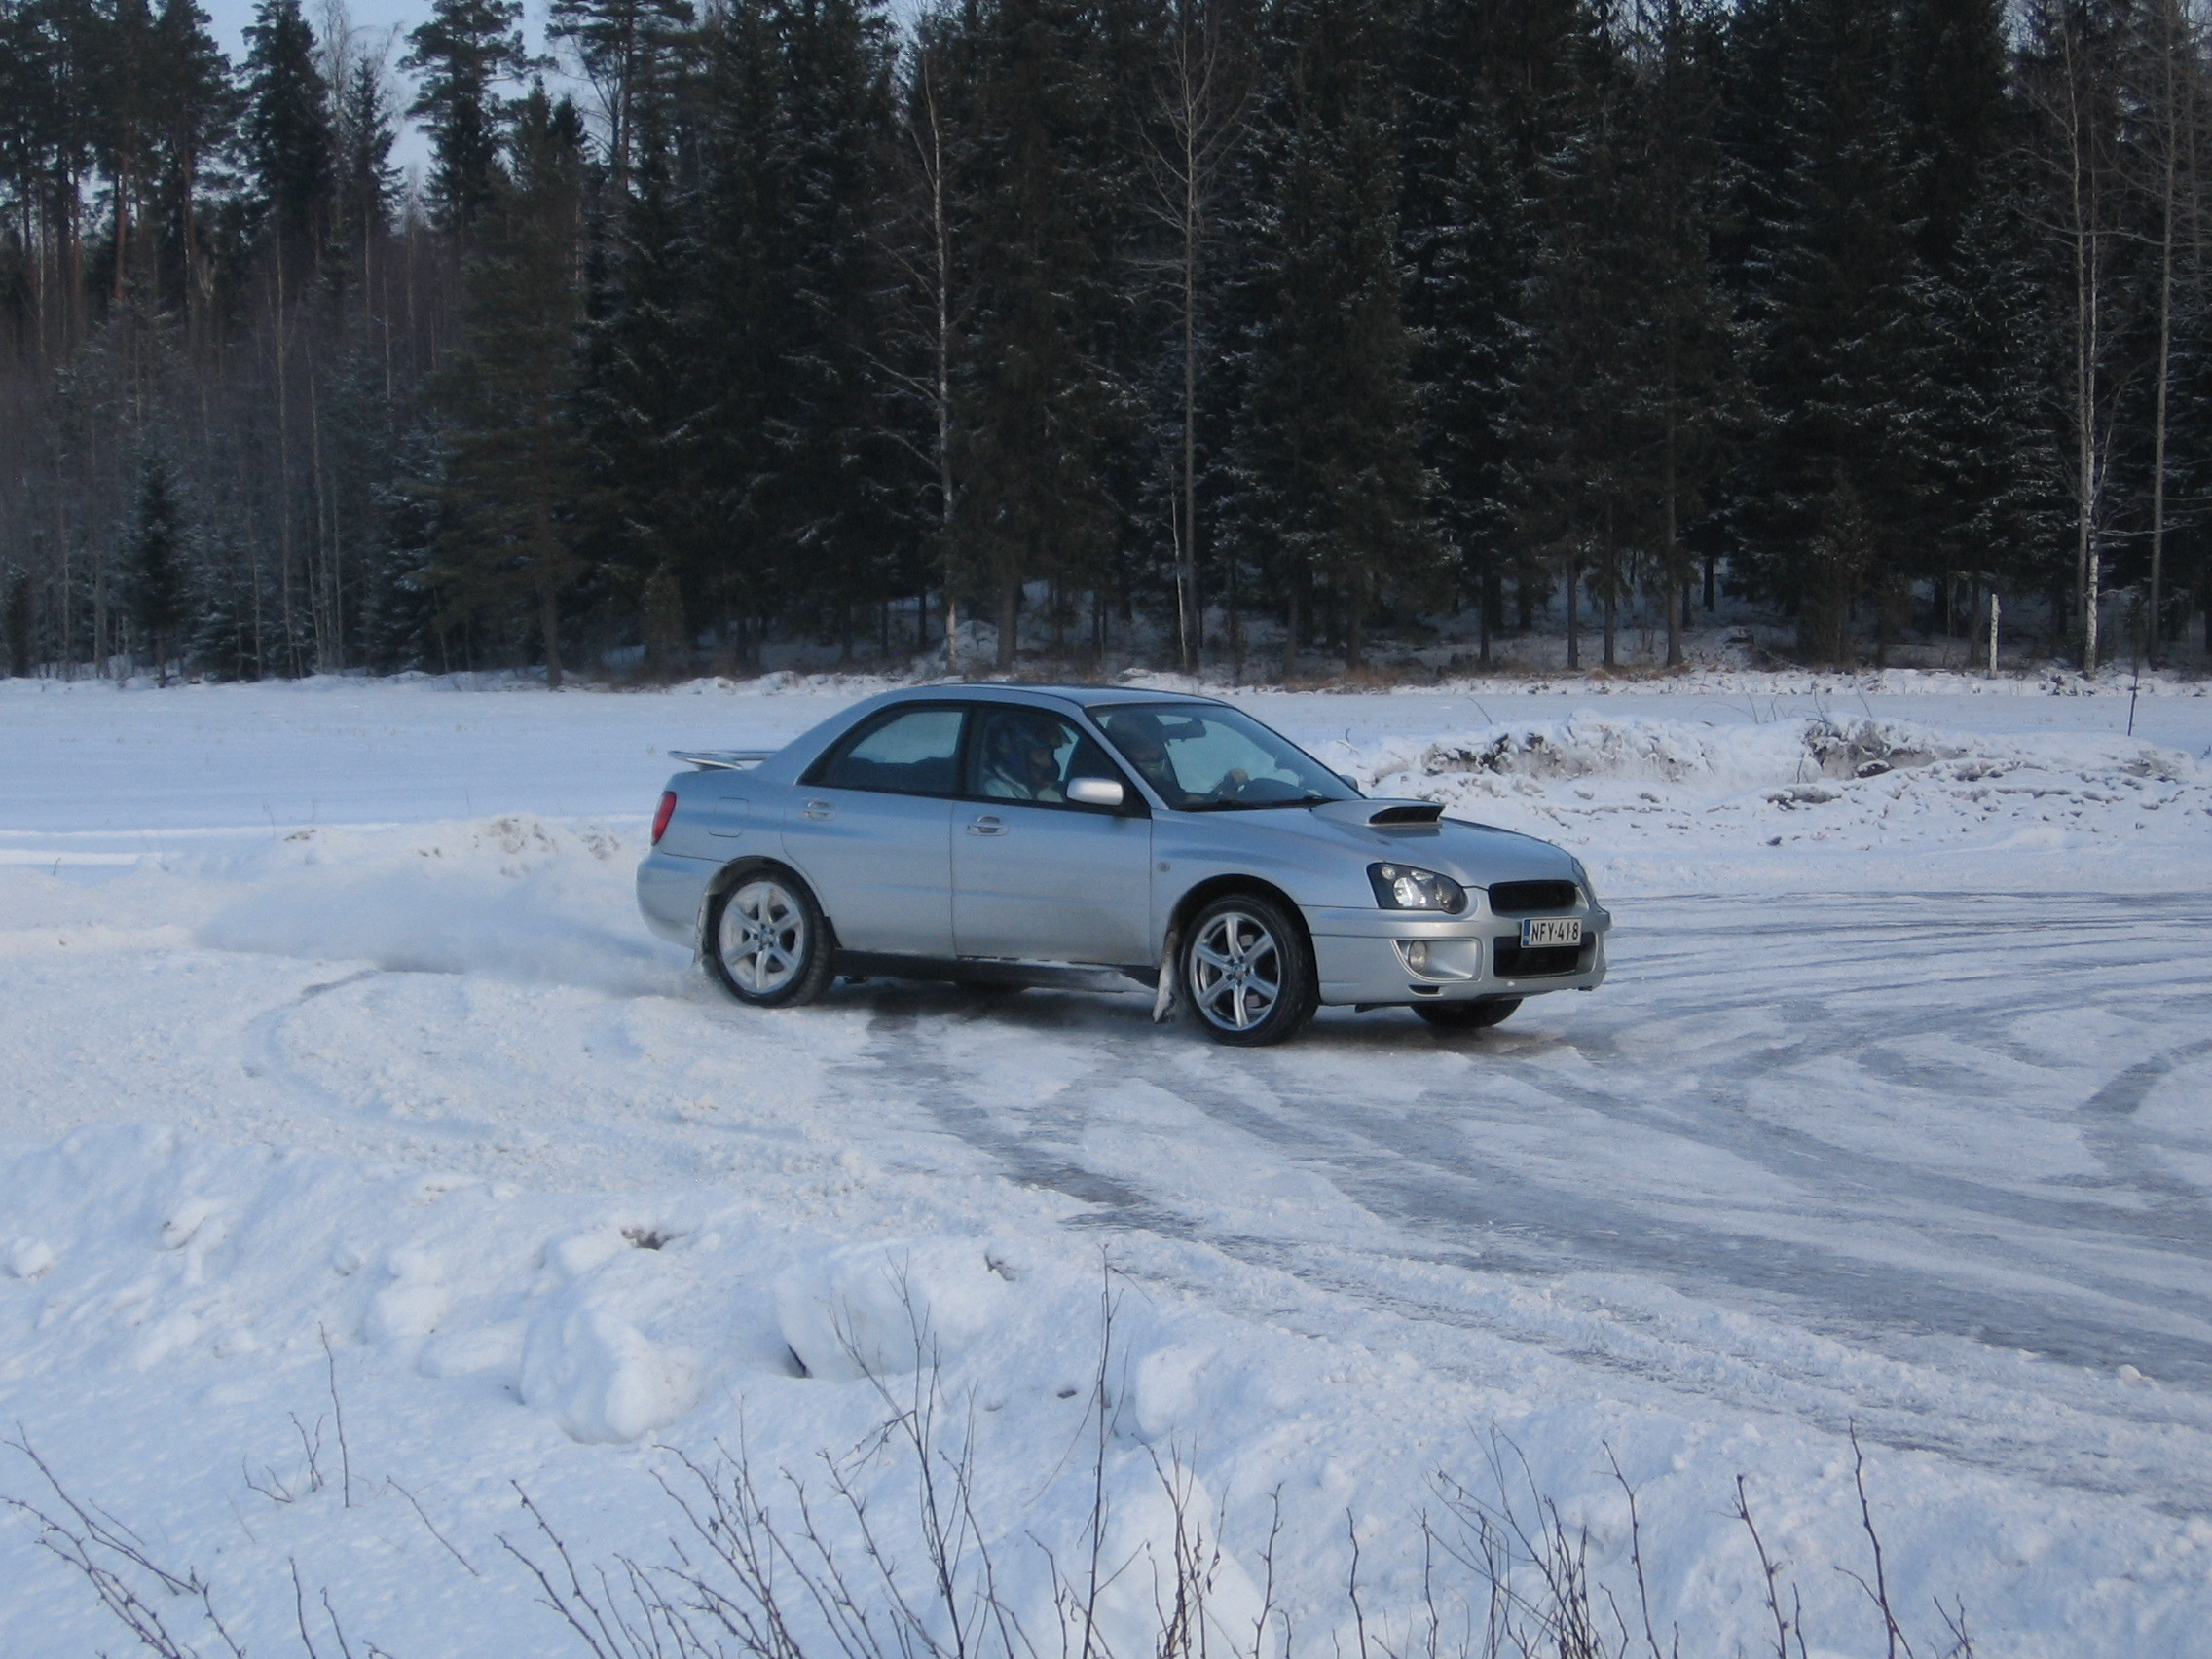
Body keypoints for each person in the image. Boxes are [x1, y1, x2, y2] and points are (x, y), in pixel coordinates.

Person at [977, 710, 1067, 801]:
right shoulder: (995, 788)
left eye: (1051, 754)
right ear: (1015, 755)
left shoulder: (1038, 790)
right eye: (1040, 754)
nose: (1048, 763)